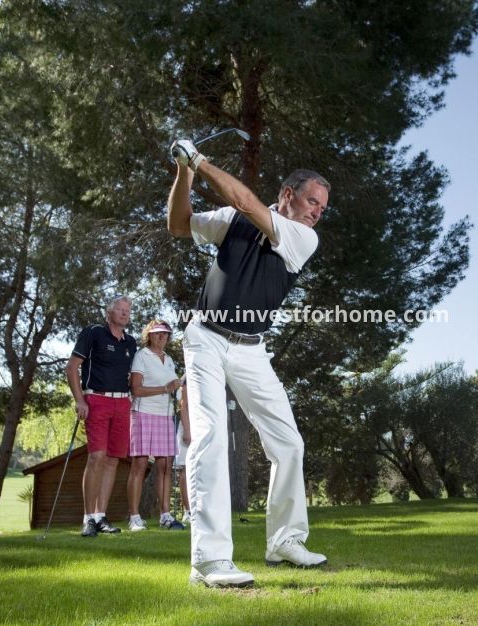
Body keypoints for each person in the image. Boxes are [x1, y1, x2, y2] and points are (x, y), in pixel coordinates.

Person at [168, 138, 330, 588]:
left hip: (251, 350)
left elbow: (245, 201)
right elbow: (179, 224)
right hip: (205, 338)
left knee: (288, 443)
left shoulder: (303, 237)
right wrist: (184, 173)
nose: (318, 213)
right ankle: (209, 560)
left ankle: (285, 541)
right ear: (288, 194)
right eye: (312, 202)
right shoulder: (232, 220)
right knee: (210, 437)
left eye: (322, 208)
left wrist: (199, 160)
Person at [65, 295, 138, 537]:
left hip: (122, 402)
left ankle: (100, 516)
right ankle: (87, 518)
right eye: (120, 309)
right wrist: (79, 399)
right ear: (109, 313)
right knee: (97, 456)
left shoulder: (130, 342)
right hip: (96, 399)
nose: (125, 313)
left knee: (113, 459)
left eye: (128, 310)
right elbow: (72, 367)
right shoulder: (94, 332)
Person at [127, 319, 184, 531]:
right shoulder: (141, 356)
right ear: (149, 335)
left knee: (165, 466)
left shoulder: (169, 360)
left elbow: (173, 388)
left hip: (165, 415)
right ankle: (134, 517)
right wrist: (165, 388)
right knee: (140, 465)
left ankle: (165, 516)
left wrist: (177, 388)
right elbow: (136, 389)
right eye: (157, 333)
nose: (162, 336)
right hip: (142, 412)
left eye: (165, 333)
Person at [173, 376, 192, 524]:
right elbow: (184, 406)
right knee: (185, 469)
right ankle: (188, 511)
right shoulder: (186, 380)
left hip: (203, 427)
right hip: (188, 427)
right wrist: (187, 430)